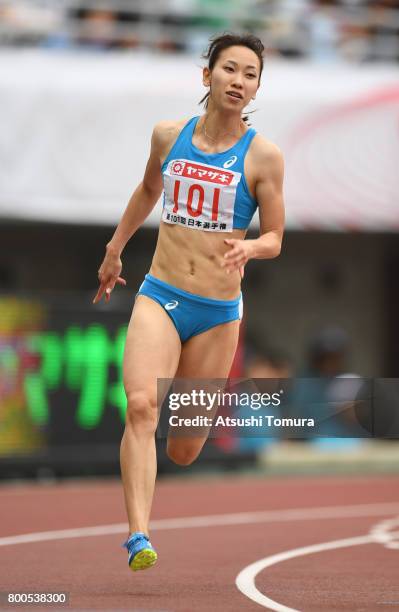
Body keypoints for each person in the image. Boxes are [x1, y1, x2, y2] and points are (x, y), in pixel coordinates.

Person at [92, 32, 285, 571]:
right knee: (139, 407)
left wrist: (251, 246)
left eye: (250, 74)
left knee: (183, 448)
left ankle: (168, 472)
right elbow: (148, 191)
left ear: (255, 89)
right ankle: (138, 536)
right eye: (230, 69)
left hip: (217, 313)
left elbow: (275, 237)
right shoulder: (167, 135)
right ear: (208, 76)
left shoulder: (263, 156)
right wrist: (115, 249)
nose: (239, 81)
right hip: (160, 294)